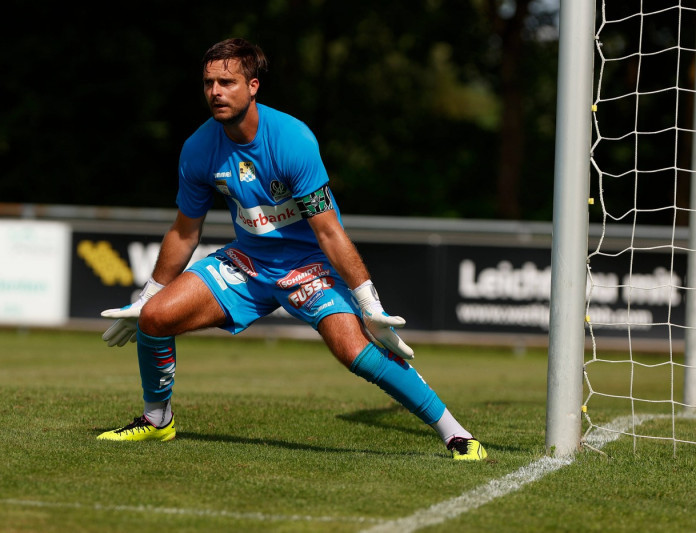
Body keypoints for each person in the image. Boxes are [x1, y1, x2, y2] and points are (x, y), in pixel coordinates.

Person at [98, 37, 487, 461]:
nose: (215, 92)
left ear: (253, 87)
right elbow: (184, 232)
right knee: (156, 318)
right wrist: (148, 296)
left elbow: (330, 232)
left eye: (227, 82)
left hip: (308, 265)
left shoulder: (293, 140)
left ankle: (456, 434)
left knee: (355, 352)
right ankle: (156, 420)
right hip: (247, 264)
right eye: (209, 82)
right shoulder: (197, 149)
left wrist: (368, 304)